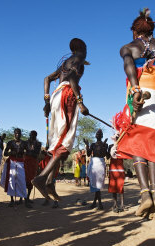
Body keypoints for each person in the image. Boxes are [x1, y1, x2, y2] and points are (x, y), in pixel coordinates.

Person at [114, 8, 155, 219]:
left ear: (135, 31)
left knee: (136, 142)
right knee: (151, 142)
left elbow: (129, 67)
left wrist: (135, 91)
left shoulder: (128, 47)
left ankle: (145, 196)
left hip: (141, 90)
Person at [32, 38, 89, 208]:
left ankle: (49, 181)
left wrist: (47, 101)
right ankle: (41, 178)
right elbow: (72, 77)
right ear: (80, 49)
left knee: (59, 144)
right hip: (67, 96)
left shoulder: (65, 62)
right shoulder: (78, 59)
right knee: (66, 140)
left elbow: (47, 79)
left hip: (56, 95)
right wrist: (80, 101)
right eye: (85, 49)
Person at [0, 128, 29, 208]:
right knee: (11, 181)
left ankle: (24, 199)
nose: (18, 135)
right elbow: (5, 153)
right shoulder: (10, 143)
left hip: (20, 163)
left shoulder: (24, 143)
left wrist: (26, 152)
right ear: (14, 134)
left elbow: (28, 151)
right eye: (16, 133)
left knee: (22, 181)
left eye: (19, 133)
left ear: (21, 134)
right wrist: (10, 152)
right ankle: (12, 200)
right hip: (12, 163)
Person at [85, 130, 108, 209]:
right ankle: (96, 203)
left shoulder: (105, 144)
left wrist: (104, 146)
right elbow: (88, 154)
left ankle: (100, 204)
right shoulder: (93, 145)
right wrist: (87, 145)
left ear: (102, 136)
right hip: (94, 164)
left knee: (98, 185)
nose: (98, 135)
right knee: (95, 185)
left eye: (100, 134)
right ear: (95, 135)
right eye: (97, 133)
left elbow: (106, 155)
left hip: (100, 164)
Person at [24, 130, 41, 201]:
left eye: (33, 135)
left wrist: (29, 153)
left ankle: (27, 197)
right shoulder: (25, 142)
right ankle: (23, 197)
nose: (31, 136)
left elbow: (36, 154)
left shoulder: (38, 144)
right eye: (31, 135)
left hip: (33, 163)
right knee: (24, 179)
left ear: (35, 136)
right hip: (25, 162)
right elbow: (23, 151)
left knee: (31, 180)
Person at [108, 144, 125, 212]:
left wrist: (121, 152)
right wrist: (111, 151)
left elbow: (126, 158)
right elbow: (107, 156)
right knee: (113, 187)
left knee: (121, 186)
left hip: (120, 169)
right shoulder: (110, 146)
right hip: (113, 169)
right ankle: (115, 204)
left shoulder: (122, 147)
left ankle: (122, 205)